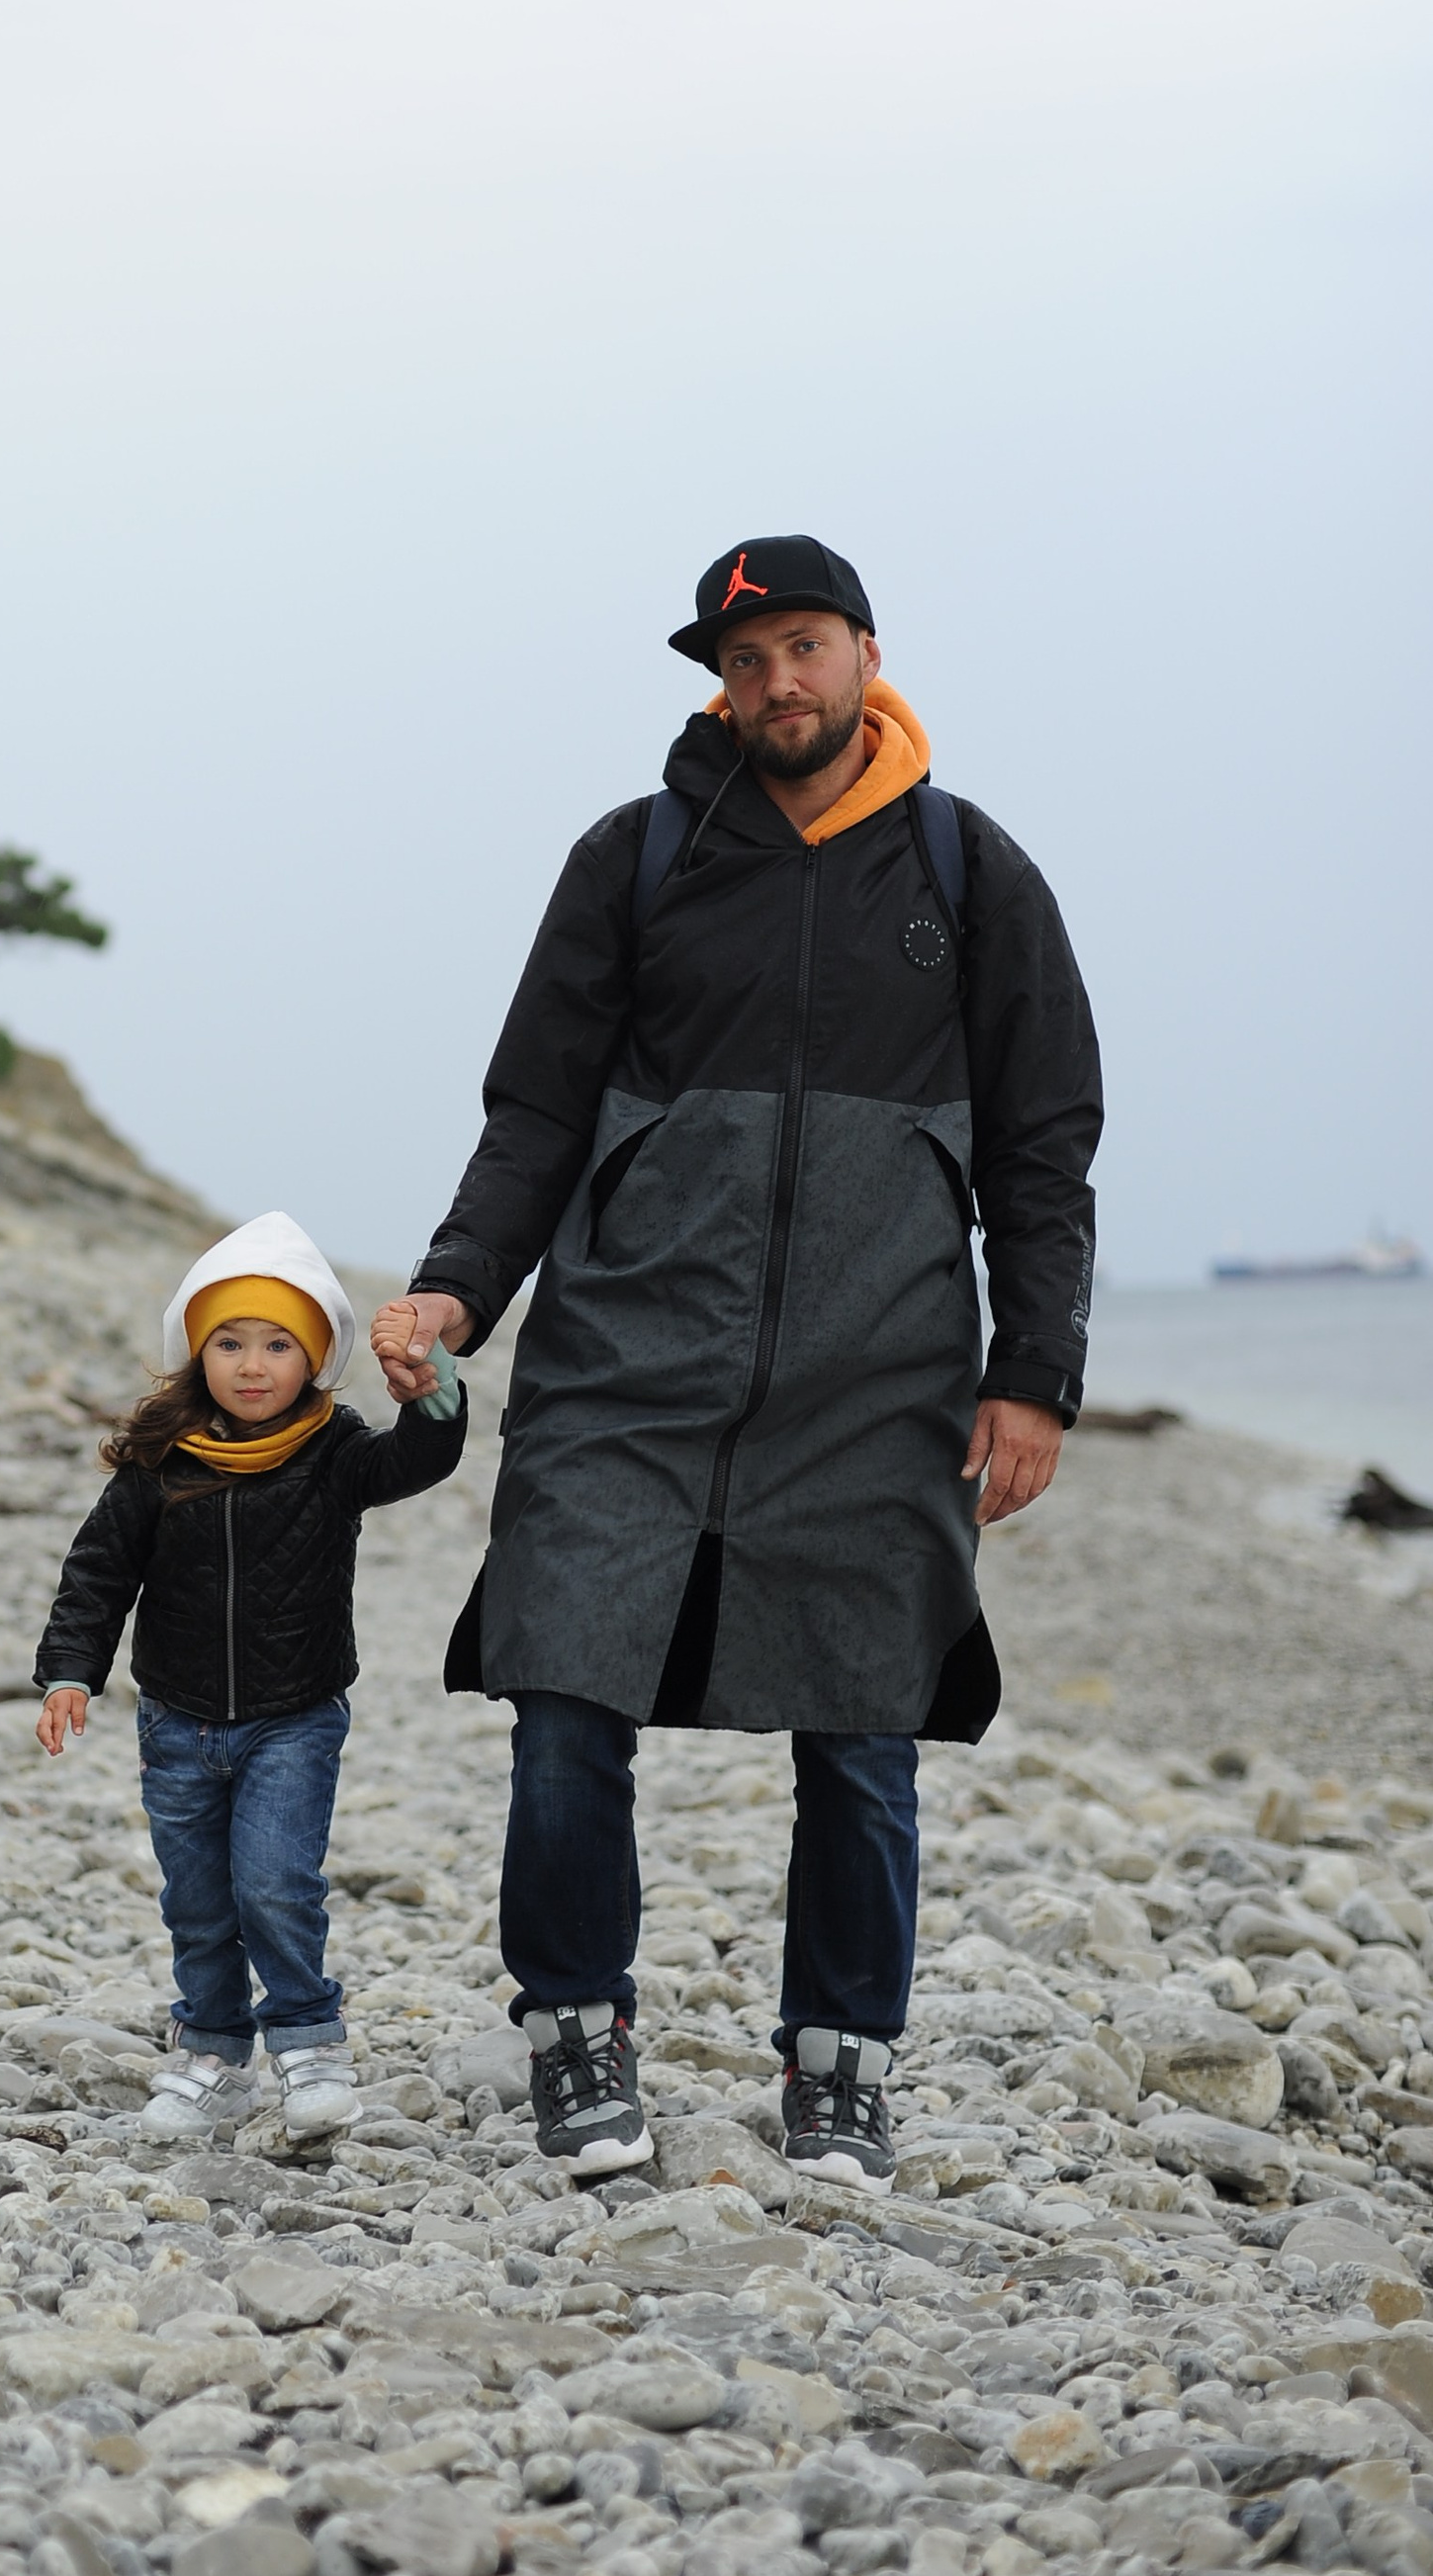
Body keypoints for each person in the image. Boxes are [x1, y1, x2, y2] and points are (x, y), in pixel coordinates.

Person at [369, 537, 1102, 2190]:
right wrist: (454, 1291)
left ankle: (839, 2064)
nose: (781, 681)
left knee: (862, 1725)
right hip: (626, 1352)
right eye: (747, 655)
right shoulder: (633, 862)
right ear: (719, 676)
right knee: (562, 1684)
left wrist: (1034, 1371)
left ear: (866, 651)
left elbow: (1044, 1148)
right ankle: (575, 2032)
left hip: (881, 1375)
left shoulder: (971, 873)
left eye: (808, 646)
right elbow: (538, 1117)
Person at [34, 1210, 466, 2146]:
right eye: (230, 1341)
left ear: (313, 1357)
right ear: (198, 1352)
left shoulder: (338, 1453)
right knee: (196, 1897)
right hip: (175, 1722)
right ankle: (212, 2057)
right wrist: (71, 1670)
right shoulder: (161, 1461)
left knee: (274, 1880)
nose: (254, 1362)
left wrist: (435, 1393)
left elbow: (421, 1457)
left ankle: (309, 2045)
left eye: (279, 1342)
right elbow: (98, 1571)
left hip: (293, 1715)